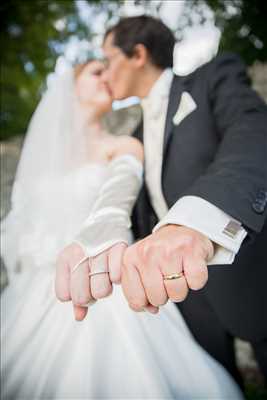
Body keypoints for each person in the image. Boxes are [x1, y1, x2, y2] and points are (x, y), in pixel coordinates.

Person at [1, 59, 244, 399]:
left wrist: (102, 228)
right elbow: (20, 224)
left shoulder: (125, 145)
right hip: (40, 288)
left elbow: (121, 186)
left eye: (108, 70)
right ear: (71, 86)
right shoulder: (40, 160)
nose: (107, 77)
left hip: (107, 270)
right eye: (96, 72)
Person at [58, 15, 267, 387]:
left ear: (137, 54)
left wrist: (194, 222)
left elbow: (253, 131)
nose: (105, 71)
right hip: (180, 299)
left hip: (250, 278)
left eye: (108, 59)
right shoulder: (134, 137)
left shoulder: (210, 80)